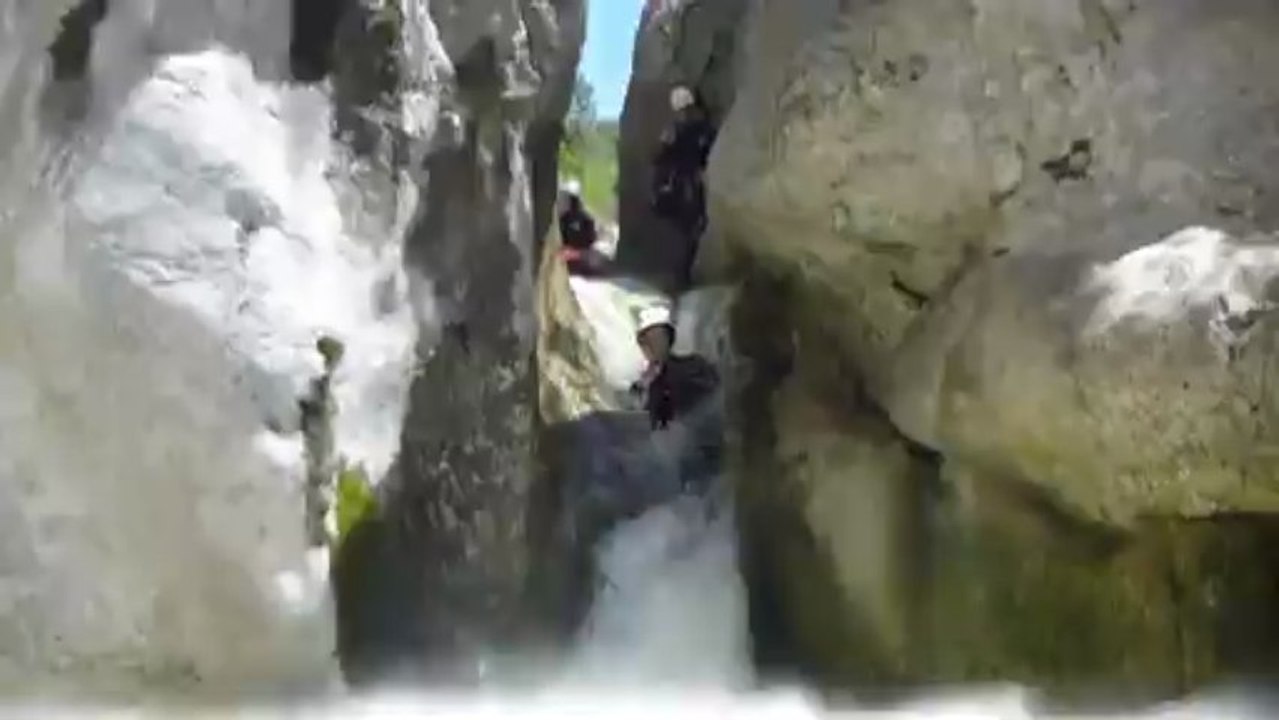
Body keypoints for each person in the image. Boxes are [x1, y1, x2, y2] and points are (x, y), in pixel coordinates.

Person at [651, 86, 718, 284]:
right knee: (689, 230)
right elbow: (661, 159)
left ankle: (684, 275)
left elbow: (661, 158)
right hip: (685, 184)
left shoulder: (690, 131)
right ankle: (683, 275)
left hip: (689, 183)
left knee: (690, 230)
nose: (683, 115)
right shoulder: (685, 131)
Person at [628, 305, 719, 430]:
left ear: (668, 339)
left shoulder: (692, 367)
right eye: (644, 341)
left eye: (657, 338)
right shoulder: (641, 384)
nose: (650, 345)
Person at [557, 179, 600, 275]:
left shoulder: (585, 219)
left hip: (579, 256)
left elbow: (591, 239)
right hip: (570, 256)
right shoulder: (565, 218)